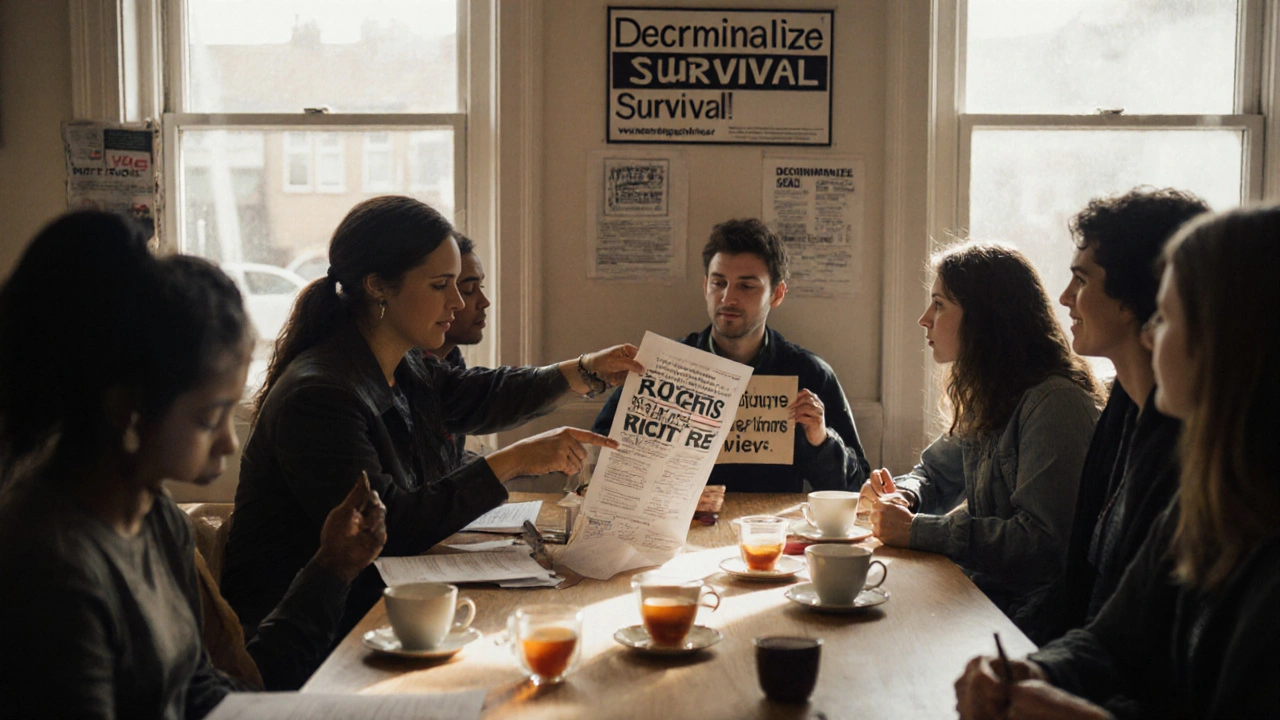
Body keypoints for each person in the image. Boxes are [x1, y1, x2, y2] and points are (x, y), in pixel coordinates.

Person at [0, 212, 385, 718]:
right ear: (127, 409)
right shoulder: (50, 566)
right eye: (210, 417)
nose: (228, 441)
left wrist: (334, 567)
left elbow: (198, 689)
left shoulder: (154, 515)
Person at [222, 195, 643, 638]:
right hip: (303, 635)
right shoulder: (319, 396)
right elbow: (388, 528)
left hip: (372, 606)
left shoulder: (402, 364)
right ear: (378, 286)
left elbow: (481, 395)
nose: (458, 303)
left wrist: (588, 369)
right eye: (441, 285)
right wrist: (514, 460)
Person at [954, 205, 1280, 720]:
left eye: (1165, 318)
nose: (1150, 336)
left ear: (1232, 341)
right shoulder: (1210, 494)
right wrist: (1037, 672)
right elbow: (1111, 639)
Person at [866, 242, 1101, 643]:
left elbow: (1043, 544)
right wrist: (905, 496)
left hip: (1028, 624)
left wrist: (917, 530)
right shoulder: (991, 393)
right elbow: (934, 474)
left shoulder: (1055, 403)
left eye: (939, 305)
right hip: (985, 598)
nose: (924, 319)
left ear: (985, 318)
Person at [592, 218, 870, 493]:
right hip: (684, 521)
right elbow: (598, 455)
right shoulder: (662, 368)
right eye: (718, 283)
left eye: (746, 286)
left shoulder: (809, 374)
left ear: (777, 294)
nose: (727, 298)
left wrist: (820, 440)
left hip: (773, 523)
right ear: (705, 287)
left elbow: (856, 487)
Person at [1048, 188, 1209, 640]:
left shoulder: (1192, 447)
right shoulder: (1121, 411)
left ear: (1133, 300)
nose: (1064, 297)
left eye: (1081, 280)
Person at [423, 231, 490, 461]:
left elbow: (450, 462)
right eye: (469, 290)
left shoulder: (452, 360)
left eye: (481, 287)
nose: (485, 302)